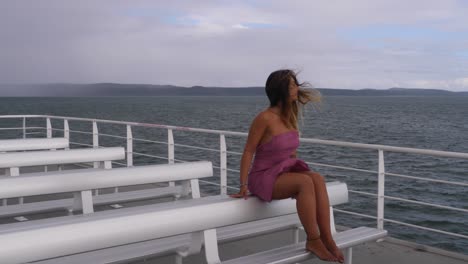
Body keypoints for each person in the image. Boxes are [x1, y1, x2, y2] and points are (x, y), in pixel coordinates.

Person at [230, 69, 344, 263]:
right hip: (262, 177)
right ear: (280, 90)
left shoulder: (289, 116)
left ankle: (328, 239)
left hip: (281, 173)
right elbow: (248, 151)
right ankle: (313, 239)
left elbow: (290, 153)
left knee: (317, 178)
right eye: (291, 85)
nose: (296, 88)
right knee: (304, 183)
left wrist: (293, 172)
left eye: (295, 84)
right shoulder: (264, 118)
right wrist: (243, 186)